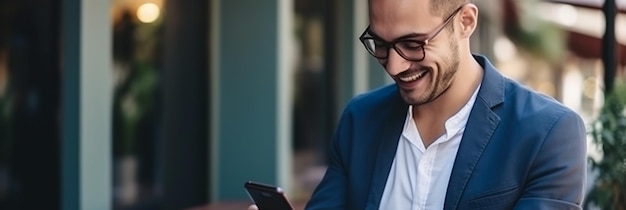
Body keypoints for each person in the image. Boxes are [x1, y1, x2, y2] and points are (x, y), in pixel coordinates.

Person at [250, 0, 587, 209]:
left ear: (465, 22)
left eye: (413, 44)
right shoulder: (360, 119)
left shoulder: (550, 133)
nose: (394, 66)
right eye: (380, 44)